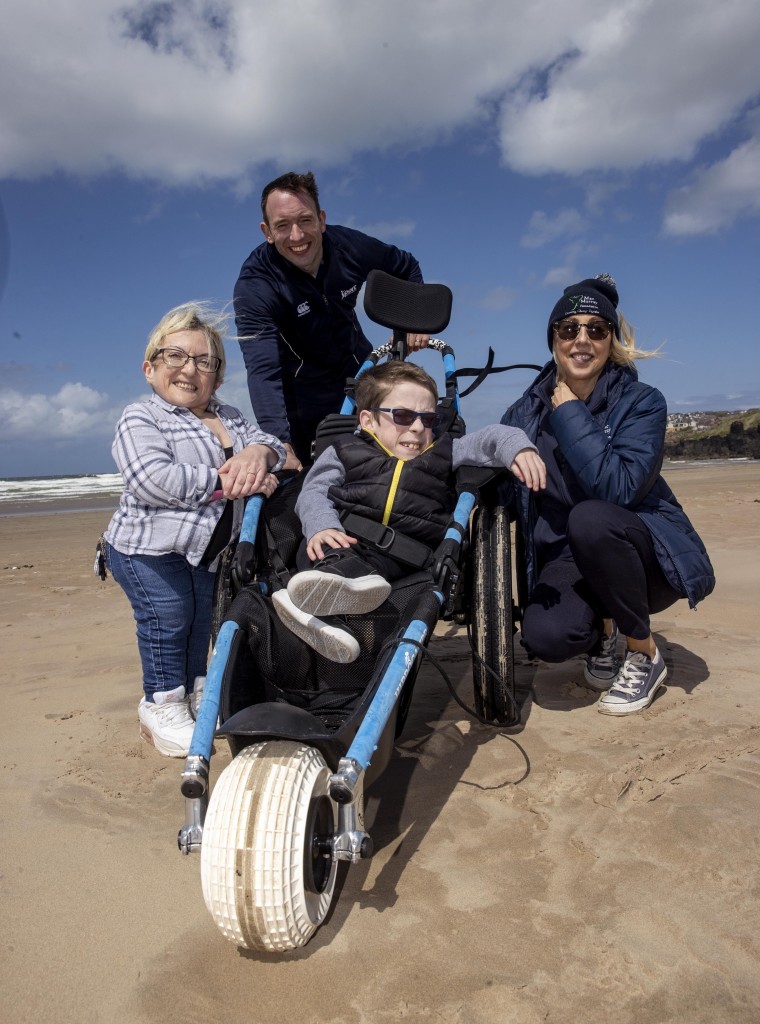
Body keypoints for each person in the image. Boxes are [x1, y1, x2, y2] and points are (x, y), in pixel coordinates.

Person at [500, 274, 715, 716]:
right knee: (546, 637)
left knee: (591, 518)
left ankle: (643, 653)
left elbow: (618, 488)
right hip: (566, 558)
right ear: (553, 339)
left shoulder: (642, 402)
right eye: (568, 328)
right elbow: (500, 486)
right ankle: (603, 632)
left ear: (611, 340)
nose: (582, 339)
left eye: (596, 329)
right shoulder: (524, 413)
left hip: (641, 553)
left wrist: (570, 412)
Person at [102, 303, 285, 757]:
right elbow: (151, 479)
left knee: (201, 620)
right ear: (150, 368)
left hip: (207, 551)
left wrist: (259, 455)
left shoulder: (232, 417)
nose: (190, 369)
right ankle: (161, 702)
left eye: (205, 362)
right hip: (144, 548)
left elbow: (276, 446)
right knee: (167, 617)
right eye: (176, 357)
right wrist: (227, 481)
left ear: (218, 378)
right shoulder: (142, 417)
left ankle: (195, 694)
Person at [271, 360, 546, 662]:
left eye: (428, 419)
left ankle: (313, 606)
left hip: (405, 556)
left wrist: (520, 448)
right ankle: (327, 612)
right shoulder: (344, 449)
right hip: (345, 541)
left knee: (349, 567)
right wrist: (323, 525)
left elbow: (492, 436)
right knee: (316, 549)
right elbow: (313, 491)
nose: (417, 427)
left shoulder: (443, 451)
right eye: (402, 416)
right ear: (368, 420)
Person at [233, 170, 429, 470]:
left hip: (360, 375)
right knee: (315, 483)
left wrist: (410, 321)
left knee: (383, 469)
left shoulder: (349, 246)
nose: (297, 236)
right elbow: (262, 370)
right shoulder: (255, 286)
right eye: (282, 226)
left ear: (321, 219)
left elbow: (406, 267)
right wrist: (278, 442)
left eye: (305, 220)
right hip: (302, 399)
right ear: (267, 232)